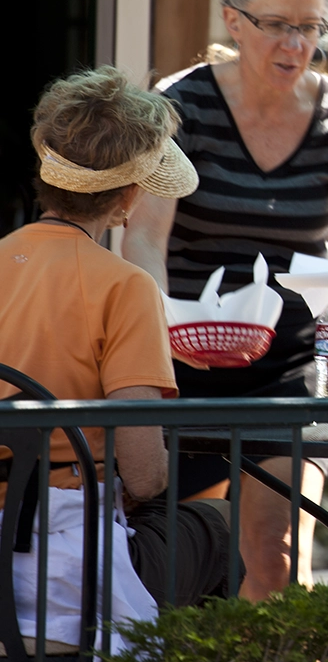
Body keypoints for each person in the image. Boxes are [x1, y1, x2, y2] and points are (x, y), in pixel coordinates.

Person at [123, 0, 328, 600]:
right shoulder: (179, 105)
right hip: (181, 364)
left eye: (311, 27)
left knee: (274, 552)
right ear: (234, 20)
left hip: (288, 371)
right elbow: (143, 239)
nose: (295, 44)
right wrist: (161, 332)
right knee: (168, 555)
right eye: (278, 24)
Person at [0, 68, 238, 652]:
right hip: (69, 563)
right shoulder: (125, 286)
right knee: (222, 525)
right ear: (130, 197)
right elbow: (146, 473)